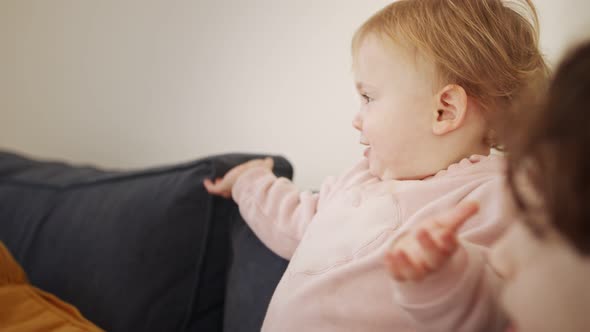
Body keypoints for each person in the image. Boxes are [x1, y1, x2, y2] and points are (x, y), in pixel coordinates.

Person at [205, 0, 548, 330]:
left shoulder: (494, 195)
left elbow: (506, 303)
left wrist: (447, 272)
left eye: (369, 98)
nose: (356, 119)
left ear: (444, 110)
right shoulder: (357, 180)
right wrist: (248, 180)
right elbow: (293, 216)